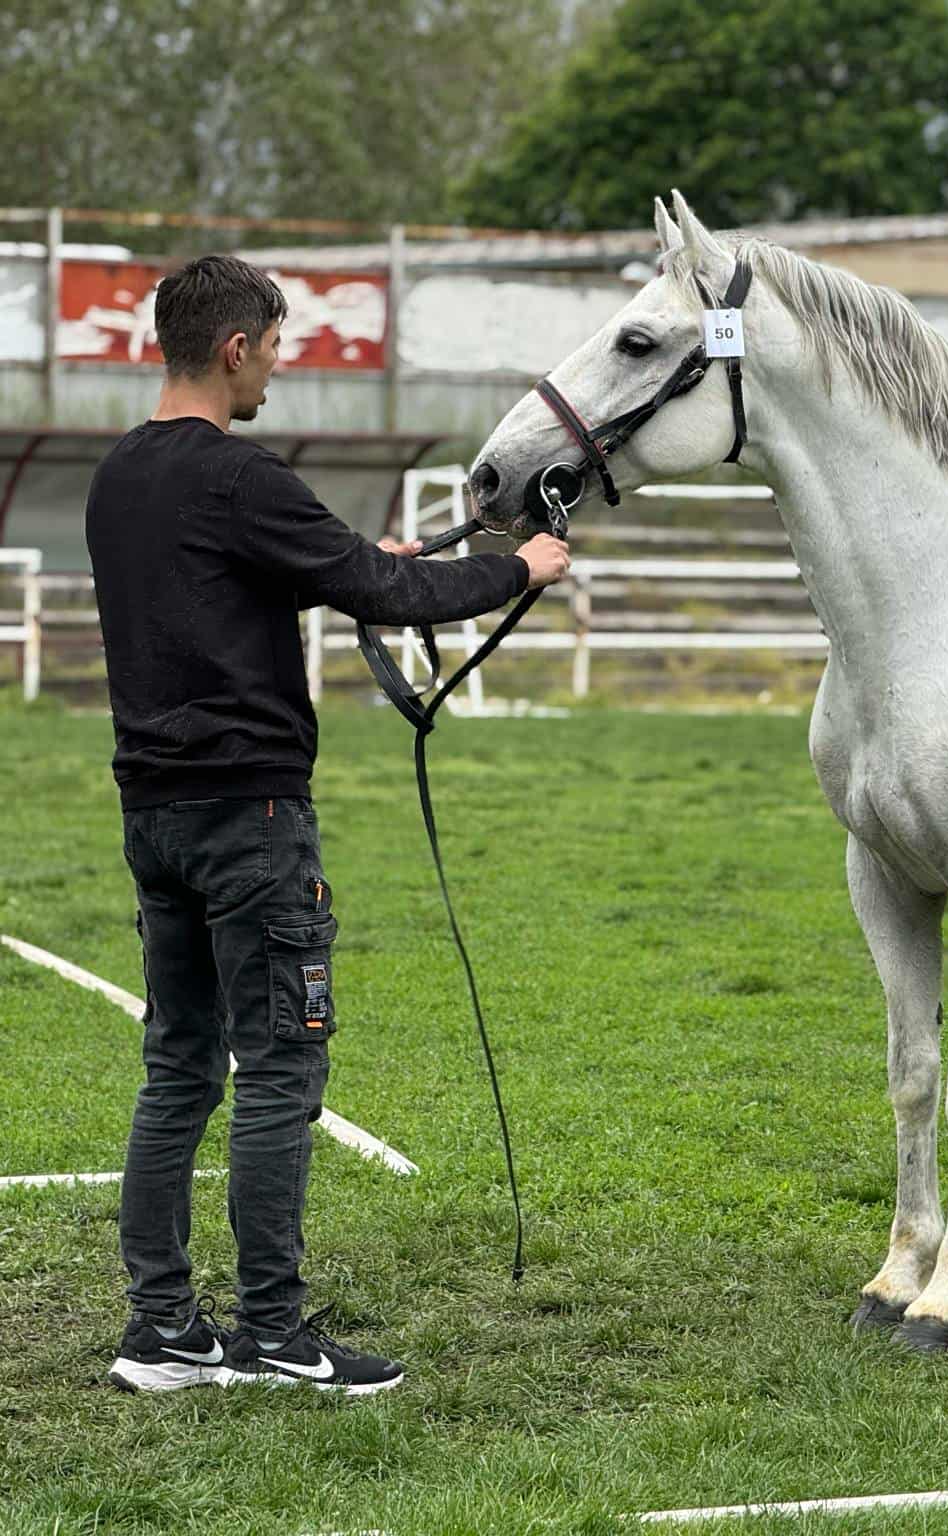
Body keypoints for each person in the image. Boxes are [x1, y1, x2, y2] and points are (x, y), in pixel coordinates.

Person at [85, 254, 570, 1395]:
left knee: (178, 1070)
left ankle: (161, 1331)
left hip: (154, 817)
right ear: (234, 348)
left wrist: (357, 565)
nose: (281, 370)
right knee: (281, 1072)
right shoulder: (240, 475)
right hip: (251, 822)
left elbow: (242, 580)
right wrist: (519, 568)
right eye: (277, 347)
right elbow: (384, 594)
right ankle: (274, 1336)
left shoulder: (122, 476)